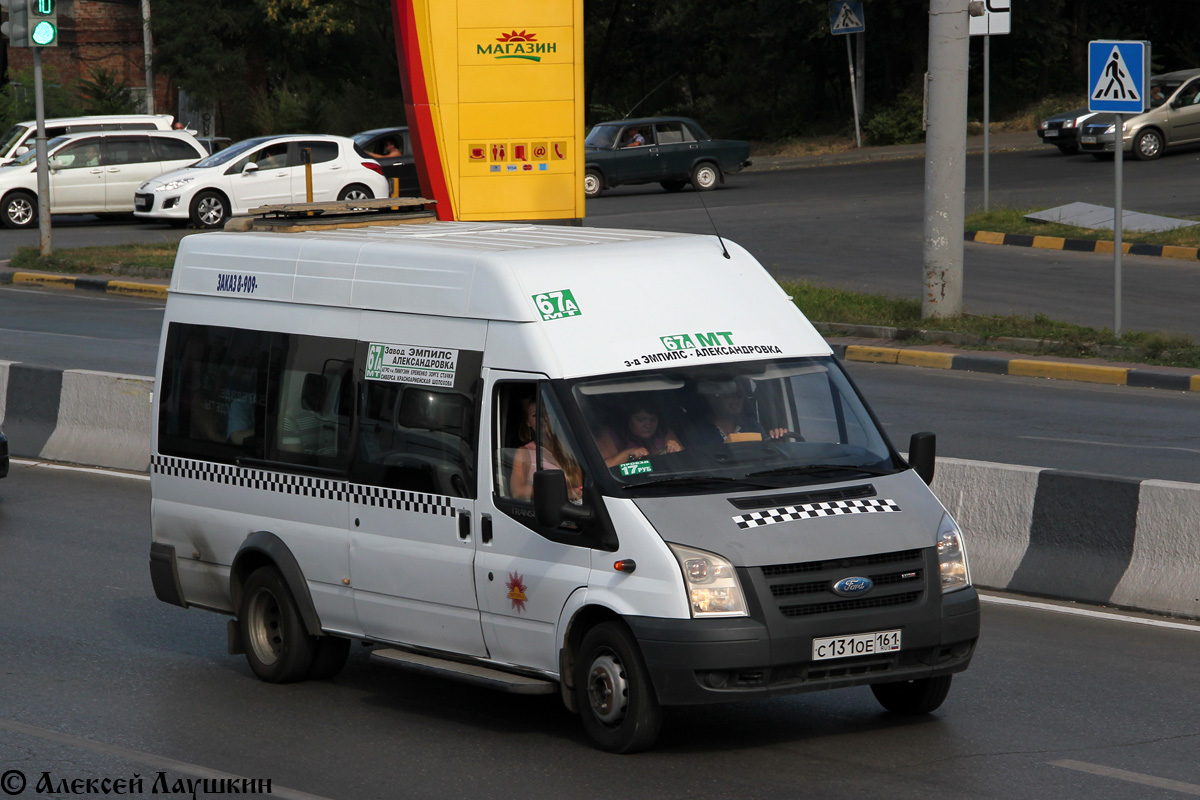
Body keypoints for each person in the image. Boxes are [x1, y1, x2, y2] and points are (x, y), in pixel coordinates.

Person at [510, 397, 584, 503]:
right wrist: (563, 492)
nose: (543, 419)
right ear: (528, 422)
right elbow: (517, 492)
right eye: (536, 415)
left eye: (547, 413)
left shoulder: (569, 447)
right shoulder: (524, 452)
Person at [687, 380, 788, 447]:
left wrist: (776, 441)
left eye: (739, 396)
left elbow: (765, 452)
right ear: (714, 399)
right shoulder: (697, 430)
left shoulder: (751, 425)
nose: (735, 401)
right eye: (728, 397)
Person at [595, 399, 682, 467]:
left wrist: (675, 448)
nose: (648, 425)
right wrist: (627, 455)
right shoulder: (611, 434)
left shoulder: (663, 431)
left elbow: (685, 459)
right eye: (640, 420)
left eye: (653, 420)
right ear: (627, 419)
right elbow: (603, 469)